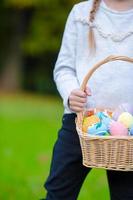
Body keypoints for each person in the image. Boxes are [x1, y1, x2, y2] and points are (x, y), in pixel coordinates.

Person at [44, 0, 133, 199]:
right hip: (81, 122)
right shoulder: (80, 13)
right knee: (58, 193)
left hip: (130, 130)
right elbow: (64, 68)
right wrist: (71, 93)